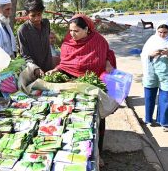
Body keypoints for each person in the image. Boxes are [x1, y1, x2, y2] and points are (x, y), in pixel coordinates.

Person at [46, 14, 117, 166]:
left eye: (76, 31)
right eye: (70, 30)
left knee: (97, 120)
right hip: (72, 87)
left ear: (87, 29)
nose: (72, 34)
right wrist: (56, 70)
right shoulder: (67, 43)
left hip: (93, 87)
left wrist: (108, 63)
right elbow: (65, 64)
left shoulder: (98, 41)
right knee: (74, 120)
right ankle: (76, 152)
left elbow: (107, 54)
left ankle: (98, 153)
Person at [140, 20, 168, 132]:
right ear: (156, 31)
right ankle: (148, 119)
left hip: (167, 74)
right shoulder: (152, 40)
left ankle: (165, 122)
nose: (162, 35)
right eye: (160, 32)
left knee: (167, 97)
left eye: (165, 32)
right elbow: (144, 54)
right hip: (151, 72)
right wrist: (151, 54)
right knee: (149, 97)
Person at [17, 0, 53, 78]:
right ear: (27, 14)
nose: (37, 18)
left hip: (49, 69)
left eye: (39, 14)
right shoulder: (22, 30)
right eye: (33, 16)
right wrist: (35, 68)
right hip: (33, 73)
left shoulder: (46, 23)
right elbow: (25, 55)